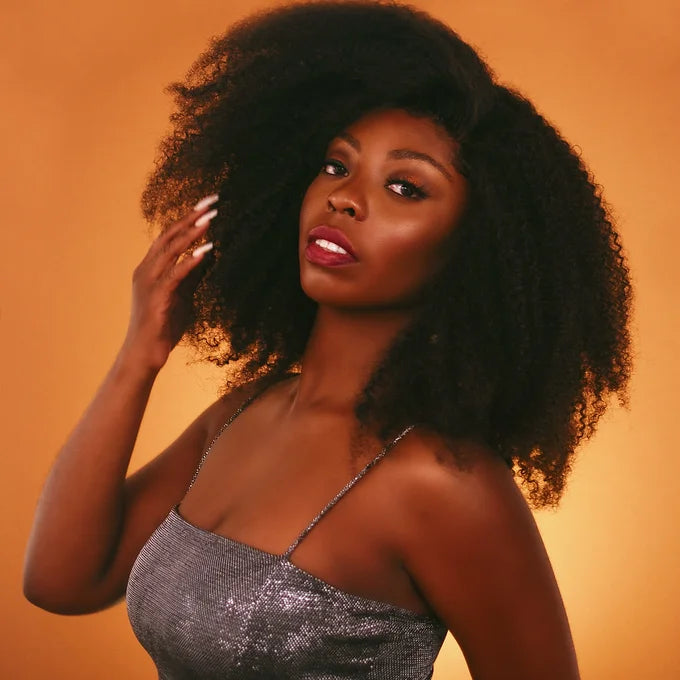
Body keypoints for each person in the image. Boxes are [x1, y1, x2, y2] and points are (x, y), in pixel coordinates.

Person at [23, 1, 634, 678]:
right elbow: (61, 581)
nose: (344, 198)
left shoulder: (444, 484)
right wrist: (140, 355)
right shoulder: (242, 415)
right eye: (336, 165)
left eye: (405, 186)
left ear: (476, 249)